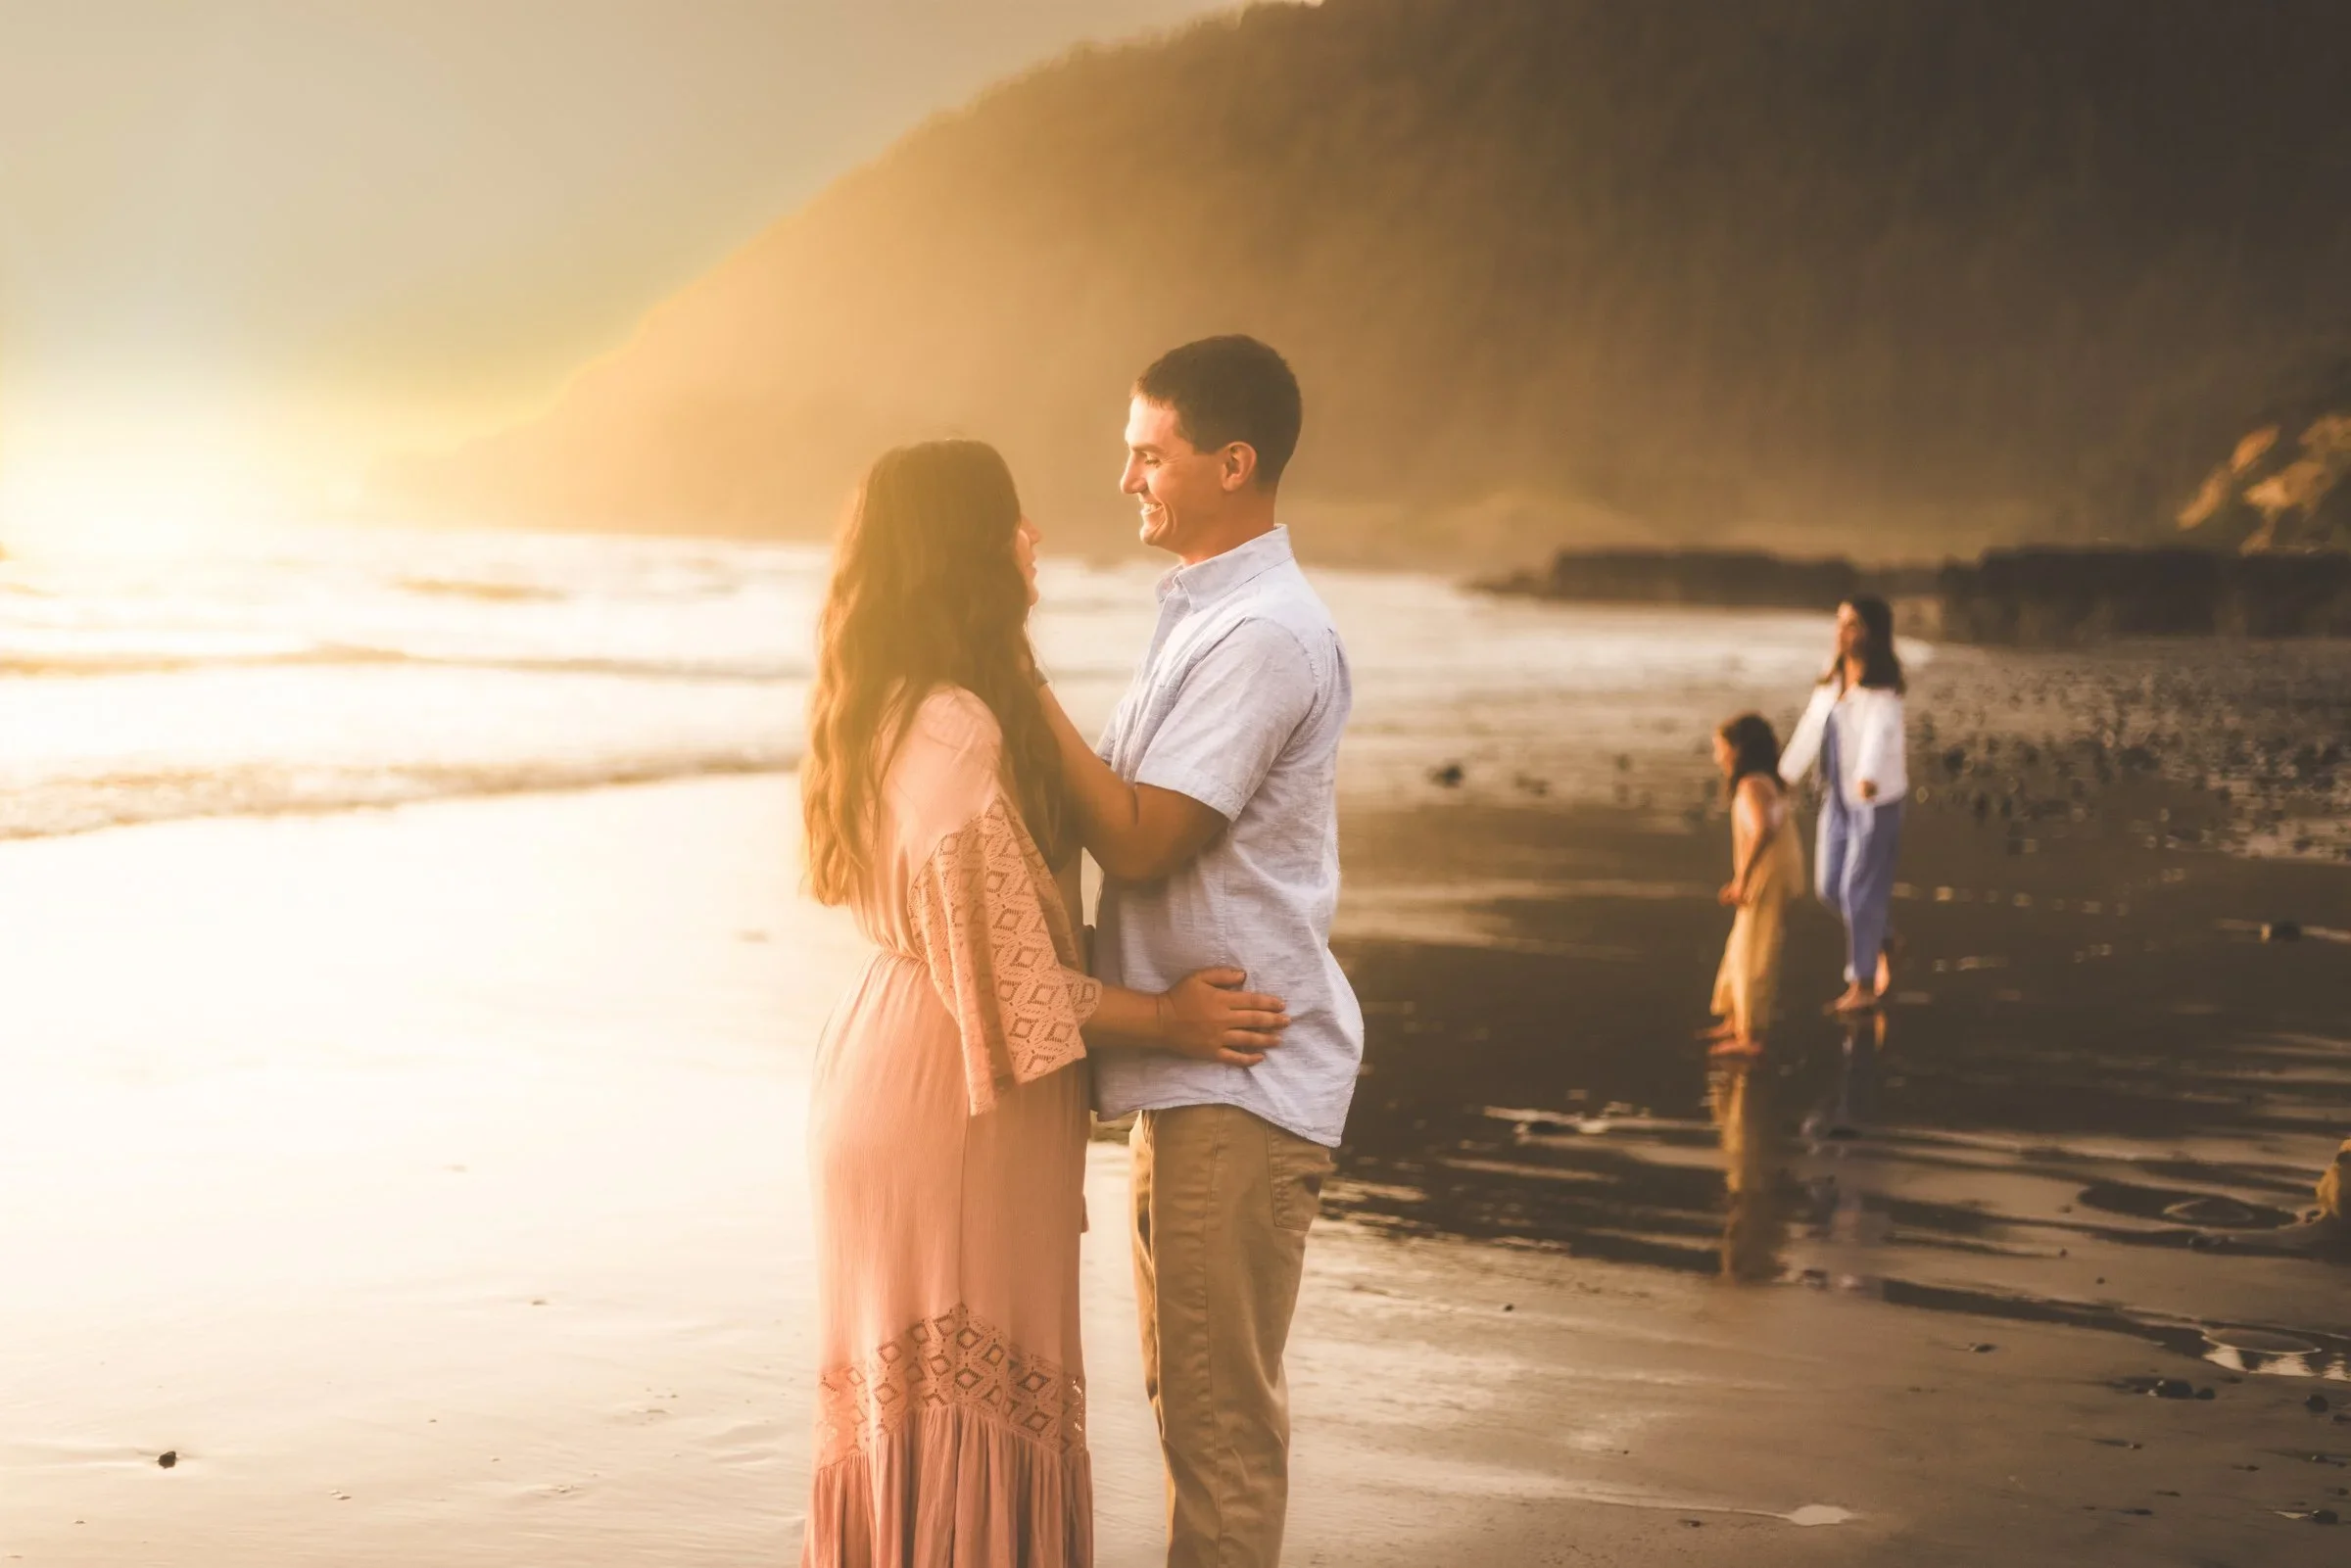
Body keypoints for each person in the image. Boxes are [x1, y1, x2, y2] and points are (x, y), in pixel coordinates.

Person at [798, 439, 1292, 1568]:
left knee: (910, 1412)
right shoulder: (956, 727)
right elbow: (1008, 973)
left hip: (892, 1054)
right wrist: (1171, 1019)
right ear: (968, 547)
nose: (1035, 539)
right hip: (956, 1093)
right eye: (1013, 521)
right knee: (971, 1398)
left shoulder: (893, 705)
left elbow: (979, 946)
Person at [1035, 336, 1358, 1568]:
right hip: (1198, 1070)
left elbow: (1141, 835)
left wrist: (1010, 673)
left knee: (1217, 1442)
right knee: (1196, 1421)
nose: (1127, 477)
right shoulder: (1208, 619)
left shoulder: (1264, 635)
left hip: (1237, 1074)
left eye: (1148, 451)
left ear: (1233, 463)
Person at [1779, 596, 1909, 1014]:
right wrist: (1784, 776)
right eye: (1839, 622)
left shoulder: (1882, 690)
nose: (1841, 631)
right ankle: (1885, 938)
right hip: (1837, 798)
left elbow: (1878, 734)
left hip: (1876, 801)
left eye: (1851, 624)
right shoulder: (1832, 680)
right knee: (1830, 887)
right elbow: (1809, 728)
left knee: (1859, 889)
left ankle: (1863, 984)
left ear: (1871, 632)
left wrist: (1868, 776)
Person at [1701, 713, 1803, 1056]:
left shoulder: (1751, 786)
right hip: (1774, 870)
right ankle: (1735, 1018)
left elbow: (1763, 829)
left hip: (1765, 874)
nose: (1718, 757)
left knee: (1754, 950)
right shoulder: (1765, 781)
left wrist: (1742, 878)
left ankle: (1750, 1035)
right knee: (1741, 943)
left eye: (1721, 749)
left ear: (1738, 750)